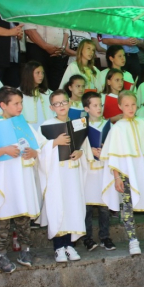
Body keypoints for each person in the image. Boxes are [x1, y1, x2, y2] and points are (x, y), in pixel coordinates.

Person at [0, 87, 45, 272]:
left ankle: (26, 249)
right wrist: (4, 150)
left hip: (22, 178)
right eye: (15, 103)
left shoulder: (23, 124)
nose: (20, 106)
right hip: (4, 178)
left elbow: (39, 146)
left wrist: (34, 152)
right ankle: (1, 253)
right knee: (3, 219)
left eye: (21, 102)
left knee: (23, 216)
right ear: (3, 105)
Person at [101, 91, 144, 255]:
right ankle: (133, 241)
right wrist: (117, 177)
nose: (130, 108)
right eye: (126, 105)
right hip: (126, 173)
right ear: (120, 106)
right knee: (127, 206)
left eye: (133, 104)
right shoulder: (118, 127)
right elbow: (114, 155)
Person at [37, 89, 87, 263]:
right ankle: (58, 247)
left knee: (72, 206)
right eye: (57, 104)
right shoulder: (46, 125)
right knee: (58, 207)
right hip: (57, 174)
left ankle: (70, 246)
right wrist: (54, 143)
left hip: (72, 173)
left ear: (70, 103)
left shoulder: (78, 123)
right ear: (52, 107)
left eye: (64, 102)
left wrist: (81, 152)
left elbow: (84, 145)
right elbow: (40, 151)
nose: (61, 106)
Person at [80, 92, 115, 252]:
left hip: (103, 171)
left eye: (100, 105)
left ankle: (104, 236)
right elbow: (76, 147)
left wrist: (104, 152)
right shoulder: (80, 125)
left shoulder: (109, 125)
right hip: (87, 171)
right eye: (94, 105)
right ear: (86, 108)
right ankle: (87, 238)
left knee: (104, 206)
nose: (99, 108)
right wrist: (90, 151)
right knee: (86, 207)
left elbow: (115, 145)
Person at [24, 24, 69, 91]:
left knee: (56, 83)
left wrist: (62, 48)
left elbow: (66, 31)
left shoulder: (61, 13)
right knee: (37, 82)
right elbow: (29, 30)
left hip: (57, 52)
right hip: (37, 49)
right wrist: (45, 46)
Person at [19, 61, 53, 130]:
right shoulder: (18, 93)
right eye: (38, 73)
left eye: (42, 73)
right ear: (29, 74)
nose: (41, 75)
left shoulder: (48, 92)